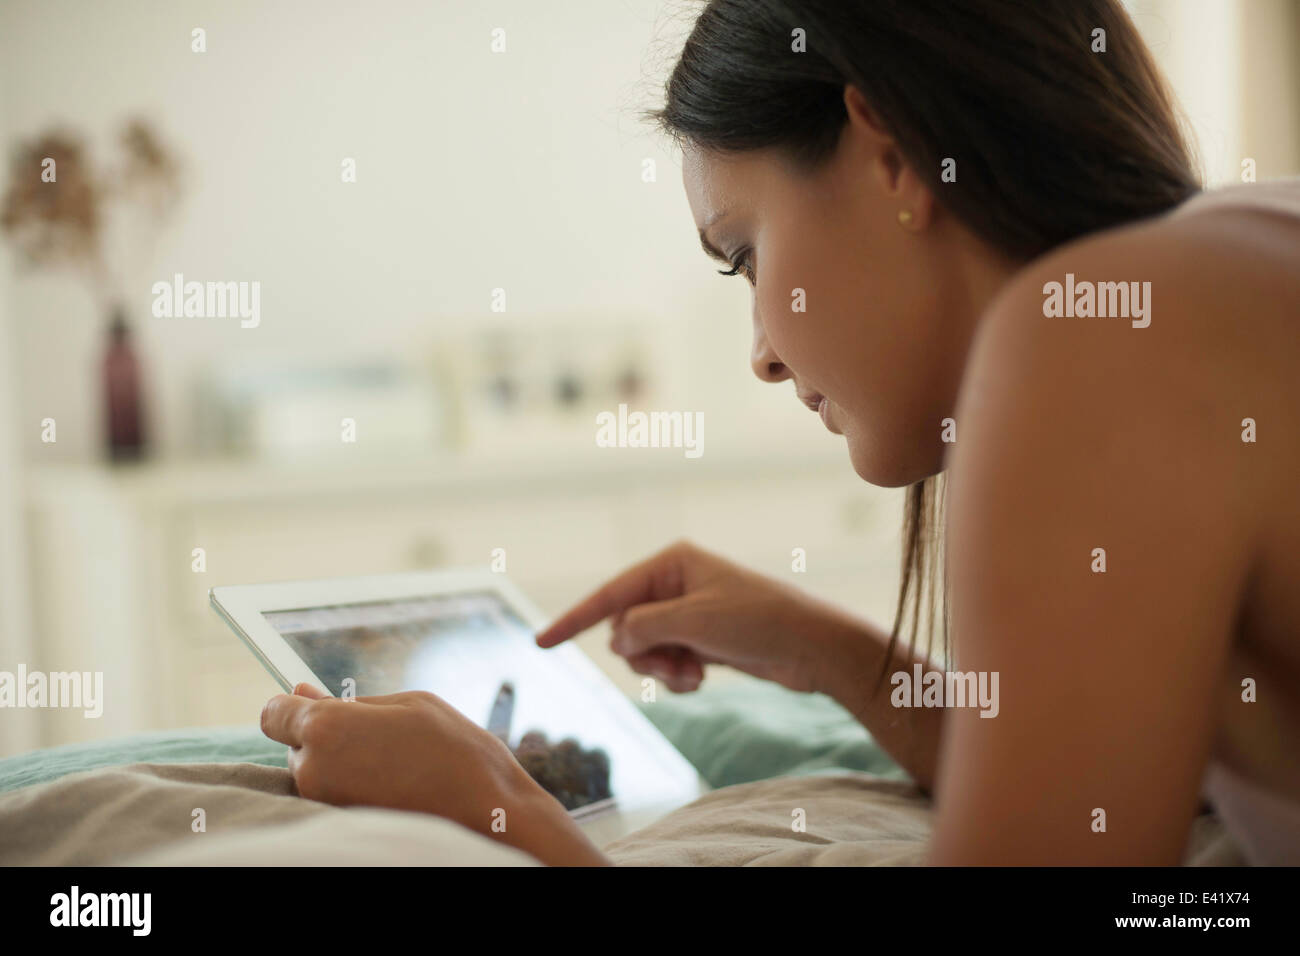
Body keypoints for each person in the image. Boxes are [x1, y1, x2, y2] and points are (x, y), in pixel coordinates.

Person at [260, 0, 1300, 865]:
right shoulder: (1212, 276)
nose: (761, 351)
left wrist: (511, 820)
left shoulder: (1090, 342)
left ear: (889, 153)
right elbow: (1087, 776)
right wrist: (826, 649)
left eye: (744, 251)